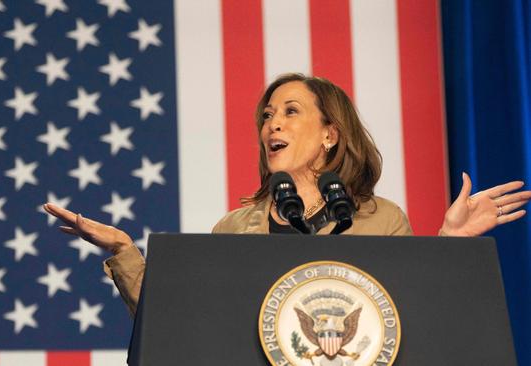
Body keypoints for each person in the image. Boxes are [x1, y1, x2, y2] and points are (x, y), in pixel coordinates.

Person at [43, 73, 531, 315]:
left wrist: (449, 244)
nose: (272, 123)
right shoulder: (233, 229)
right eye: (267, 115)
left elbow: (409, 315)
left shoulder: (382, 219)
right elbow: (178, 321)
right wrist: (126, 253)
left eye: (291, 111)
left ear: (330, 135)